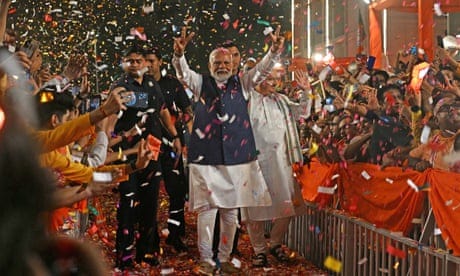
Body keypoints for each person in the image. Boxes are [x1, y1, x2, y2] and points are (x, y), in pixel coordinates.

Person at [171, 26, 284, 275]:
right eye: (217, 62)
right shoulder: (201, 83)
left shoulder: (242, 83)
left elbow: (262, 70)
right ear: (209, 65)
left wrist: (274, 51)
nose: (222, 66)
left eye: (226, 62)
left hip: (237, 159)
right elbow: (183, 74)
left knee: (231, 214)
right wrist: (179, 56)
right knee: (207, 212)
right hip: (206, 160)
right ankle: (206, 260)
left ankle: (223, 259)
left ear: (233, 64)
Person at [0, 99, 109, 275]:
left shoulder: (59, 152)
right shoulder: (38, 152)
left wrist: (130, 167)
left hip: (64, 224)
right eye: (70, 119)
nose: (73, 124)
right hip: (53, 229)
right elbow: (90, 168)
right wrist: (101, 116)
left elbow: (88, 172)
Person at [112, 44, 182, 269]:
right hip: (129, 154)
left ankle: (147, 251)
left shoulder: (152, 84)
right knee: (128, 202)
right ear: (124, 63)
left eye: (138, 60)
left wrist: (175, 135)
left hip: (152, 152)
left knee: (151, 203)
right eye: (129, 60)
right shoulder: (119, 86)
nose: (134, 64)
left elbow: (161, 110)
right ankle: (124, 256)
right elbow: (115, 115)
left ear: (145, 63)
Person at [243, 67, 308, 267]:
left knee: (289, 206)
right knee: (254, 210)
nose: (273, 83)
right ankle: (259, 251)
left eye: (275, 79)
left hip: (281, 163)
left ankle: (275, 243)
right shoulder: (247, 99)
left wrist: (306, 92)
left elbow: (302, 112)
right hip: (253, 164)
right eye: (268, 79)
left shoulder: (281, 100)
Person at [144, 45, 192, 253]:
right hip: (147, 145)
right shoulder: (138, 85)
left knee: (177, 190)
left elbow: (187, 110)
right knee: (148, 190)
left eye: (151, 61)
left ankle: (175, 233)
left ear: (160, 62)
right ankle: (149, 235)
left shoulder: (172, 84)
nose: (147, 65)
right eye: (144, 61)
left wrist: (185, 132)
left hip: (172, 144)